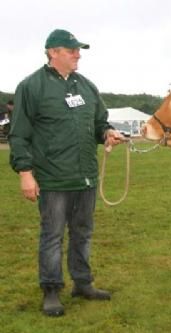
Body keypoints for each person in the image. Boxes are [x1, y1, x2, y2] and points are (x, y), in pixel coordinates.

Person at [9, 29, 124, 317]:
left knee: (83, 233)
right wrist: (25, 172)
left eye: (78, 50)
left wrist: (107, 132)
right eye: (72, 50)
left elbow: (99, 122)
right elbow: (20, 134)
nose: (78, 54)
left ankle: (82, 283)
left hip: (85, 176)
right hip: (53, 178)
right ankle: (51, 289)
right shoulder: (31, 87)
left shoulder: (86, 86)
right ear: (53, 52)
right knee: (52, 235)